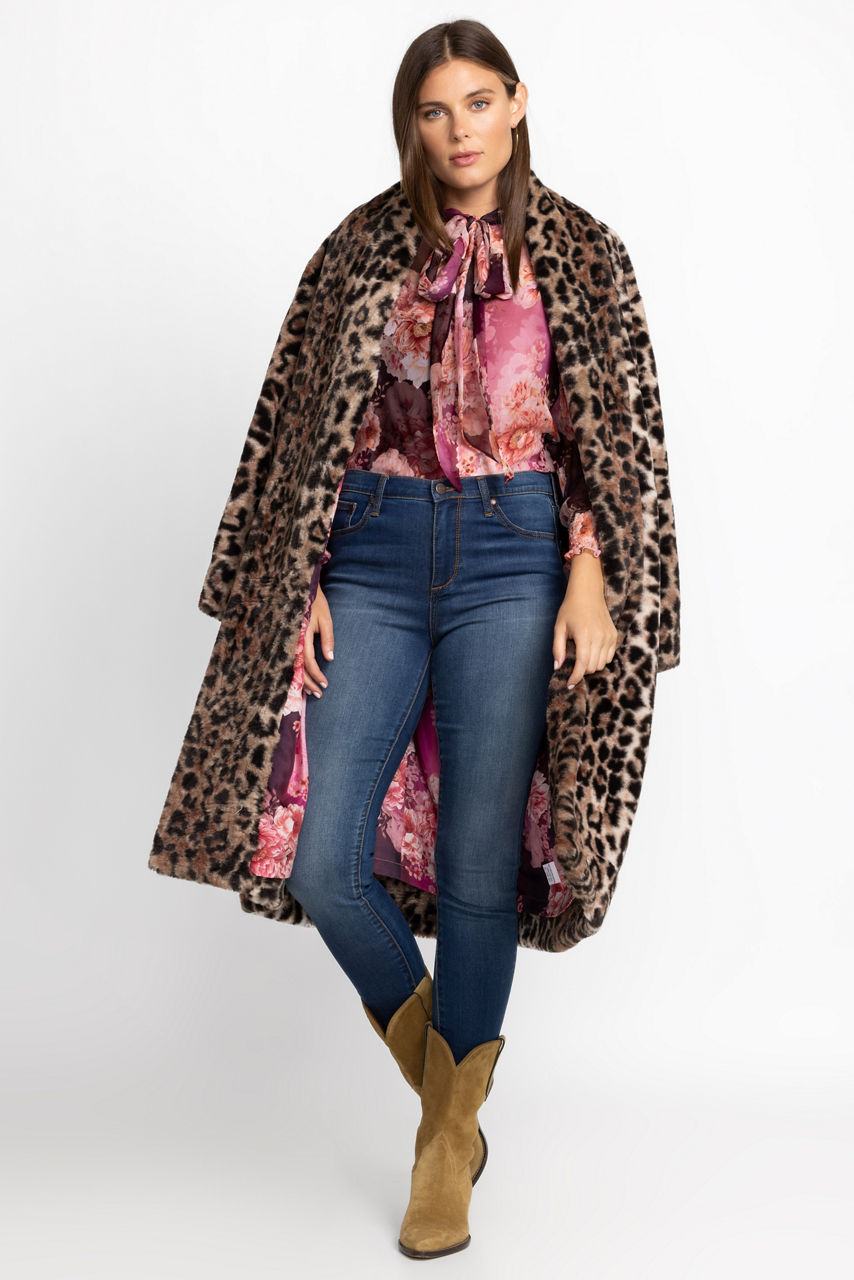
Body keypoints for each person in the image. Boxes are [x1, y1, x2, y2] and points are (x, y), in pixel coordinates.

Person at [278, 20, 617, 1261]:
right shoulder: (359, 247)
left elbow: (604, 432)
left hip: (515, 548)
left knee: (480, 863)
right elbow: (297, 422)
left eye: (478, 101)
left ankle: (438, 1153)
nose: (459, 128)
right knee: (323, 860)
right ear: (410, 124)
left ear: (516, 104)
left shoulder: (579, 252)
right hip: (368, 548)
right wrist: (299, 574)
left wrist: (587, 570)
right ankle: (454, 1096)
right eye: (434, 108)